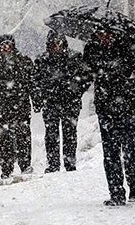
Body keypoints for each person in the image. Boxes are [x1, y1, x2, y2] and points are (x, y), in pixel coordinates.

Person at [83, 30, 135, 206]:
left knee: (131, 150)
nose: (103, 37)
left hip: (129, 107)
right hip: (106, 109)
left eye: (106, 34)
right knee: (110, 153)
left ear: (114, 33)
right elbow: (85, 76)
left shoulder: (131, 47)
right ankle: (116, 192)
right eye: (100, 34)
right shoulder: (92, 49)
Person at [0, 34, 35, 179]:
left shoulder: (24, 62)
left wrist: (37, 101)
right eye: (3, 44)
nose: (6, 47)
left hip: (21, 106)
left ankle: (25, 165)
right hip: (1, 107)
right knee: (5, 140)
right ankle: (7, 168)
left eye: (9, 44)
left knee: (23, 137)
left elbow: (33, 84)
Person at [33, 31, 91, 173]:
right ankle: (53, 164)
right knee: (51, 134)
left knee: (70, 133)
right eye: (53, 43)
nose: (56, 46)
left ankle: (69, 163)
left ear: (64, 43)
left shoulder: (75, 58)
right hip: (51, 102)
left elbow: (87, 77)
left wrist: (76, 90)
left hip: (70, 102)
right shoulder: (41, 60)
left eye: (58, 43)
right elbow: (35, 82)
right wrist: (39, 98)